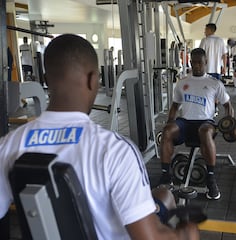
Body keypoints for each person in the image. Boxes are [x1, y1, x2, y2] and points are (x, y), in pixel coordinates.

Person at [0, 34, 199, 240]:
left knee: (163, 196)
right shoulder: (115, 150)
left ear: (46, 78)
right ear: (93, 79)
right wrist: (185, 235)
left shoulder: (9, 145)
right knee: (165, 197)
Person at [158, 48, 234, 200]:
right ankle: (166, 176)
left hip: (206, 122)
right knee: (167, 131)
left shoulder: (214, 83)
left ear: (206, 62)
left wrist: (229, 124)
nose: (196, 65)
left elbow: (227, 105)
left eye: (199, 62)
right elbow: (175, 105)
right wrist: (170, 121)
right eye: (193, 62)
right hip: (185, 122)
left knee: (205, 132)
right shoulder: (183, 82)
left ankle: (211, 179)